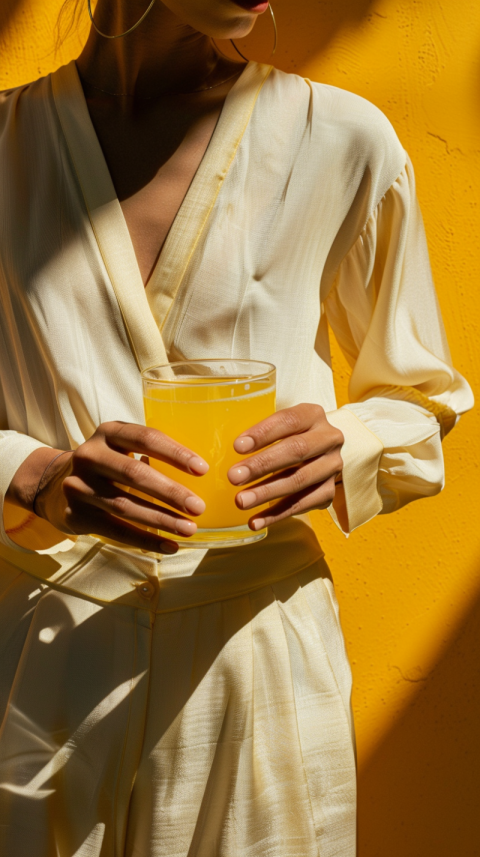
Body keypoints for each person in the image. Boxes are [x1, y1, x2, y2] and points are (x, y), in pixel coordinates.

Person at [0, 0, 473, 854]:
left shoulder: (341, 140)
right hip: (38, 669)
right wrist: (33, 475)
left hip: (259, 665)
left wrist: (346, 448)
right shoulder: (5, 148)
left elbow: (419, 396)